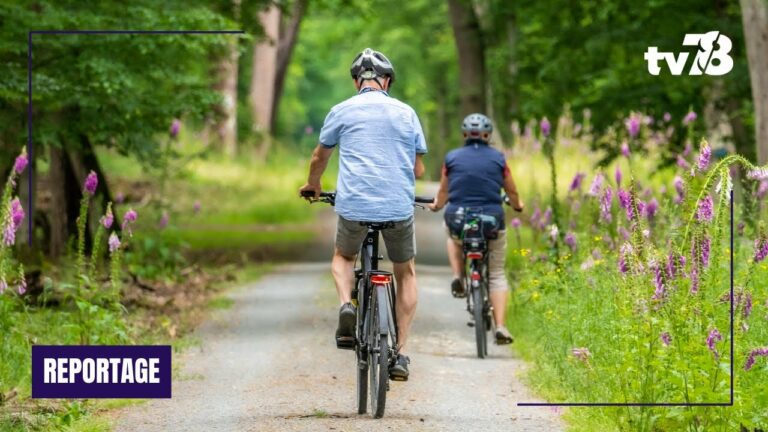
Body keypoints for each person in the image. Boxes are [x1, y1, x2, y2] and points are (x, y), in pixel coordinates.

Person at [299, 48, 427, 380]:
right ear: (387, 81)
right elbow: (419, 167)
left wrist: (313, 185)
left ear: (358, 81)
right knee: (406, 272)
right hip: (398, 207)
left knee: (343, 257)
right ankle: (400, 353)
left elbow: (319, 157)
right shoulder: (406, 113)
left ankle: (346, 304)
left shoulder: (341, 110)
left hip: (354, 205)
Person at [428, 113, 523, 345]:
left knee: (451, 234)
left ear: (464, 135)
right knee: (497, 274)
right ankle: (500, 326)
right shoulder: (499, 159)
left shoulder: (451, 158)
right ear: (488, 135)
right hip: (491, 220)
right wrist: (518, 205)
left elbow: (443, 192)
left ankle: (458, 275)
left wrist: (437, 205)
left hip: (459, 218)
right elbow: (511, 191)